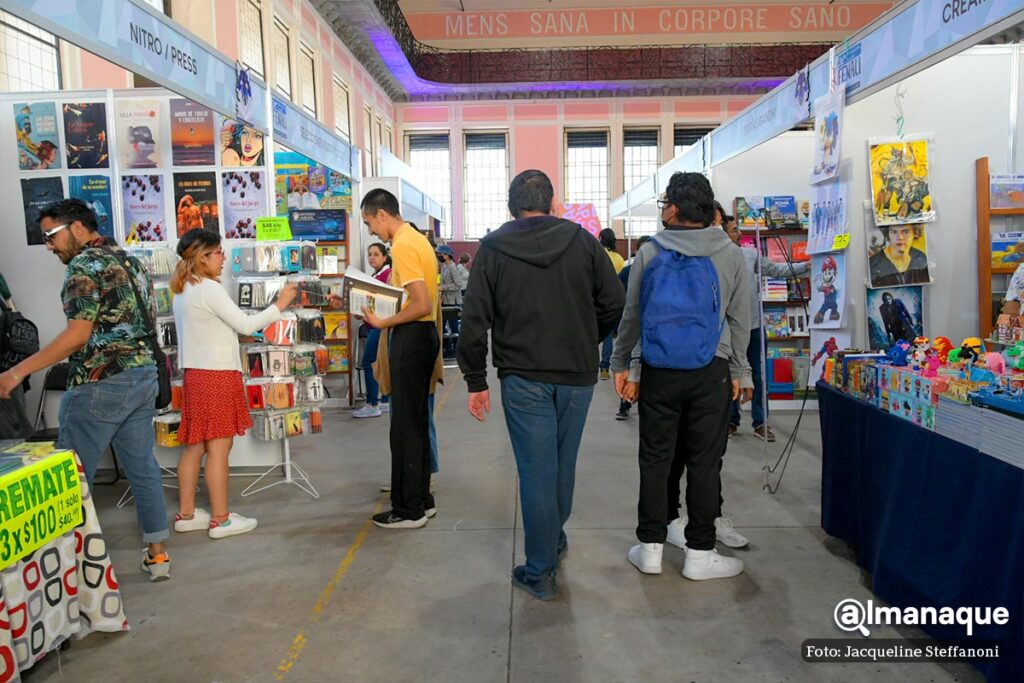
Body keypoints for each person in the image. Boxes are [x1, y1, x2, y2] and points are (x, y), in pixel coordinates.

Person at [458, 169, 624, 601]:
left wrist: (476, 380)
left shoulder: (492, 248)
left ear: (511, 207)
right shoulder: (583, 241)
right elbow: (614, 302)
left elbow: (473, 319)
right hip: (577, 376)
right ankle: (553, 539)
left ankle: (539, 570)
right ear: (551, 204)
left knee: (536, 471)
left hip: (523, 376)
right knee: (562, 465)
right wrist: (588, 338)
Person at [0, 199, 172, 581]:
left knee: (72, 478)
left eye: (51, 235)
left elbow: (78, 336)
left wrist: (16, 372)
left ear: (77, 227)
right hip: (143, 377)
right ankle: (158, 555)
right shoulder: (129, 261)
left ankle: (67, 569)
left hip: (100, 382)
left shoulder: (83, 266)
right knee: (142, 467)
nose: (49, 245)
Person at [611, 172, 752, 581]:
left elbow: (632, 316)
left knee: (655, 460)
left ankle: (651, 549)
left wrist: (621, 363)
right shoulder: (730, 255)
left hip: (659, 372)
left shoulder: (650, 252)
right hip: (711, 371)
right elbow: (740, 320)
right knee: (704, 463)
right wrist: (741, 372)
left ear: (673, 209)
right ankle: (700, 554)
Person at [171, 229, 297, 539]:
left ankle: (186, 515)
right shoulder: (209, 289)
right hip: (216, 376)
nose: (224, 257)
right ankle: (221, 520)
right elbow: (246, 324)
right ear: (203, 257)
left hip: (194, 376)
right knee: (219, 448)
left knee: (194, 447)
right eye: (218, 252)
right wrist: (279, 305)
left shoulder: (183, 290)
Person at [347, 190, 440, 529]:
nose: (371, 230)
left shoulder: (402, 245)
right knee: (416, 422)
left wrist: (382, 322)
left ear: (382, 214)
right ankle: (422, 500)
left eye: (369, 222)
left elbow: (420, 304)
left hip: (412, 337)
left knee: (404, 427)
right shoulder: (418, 240)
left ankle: (408, 510)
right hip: (423, 336)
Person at [723, 214, 810, 441]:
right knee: (730, 374)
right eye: (733, 230)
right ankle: (731, 421)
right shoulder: (716, 258)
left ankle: (761, 422)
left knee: (758, 375)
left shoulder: (750, 255)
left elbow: (777, 270)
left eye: (738, 228)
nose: (739, 233)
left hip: (753, 326)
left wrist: (806, 266)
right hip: (728, 329)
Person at [353, 243, 393, 419]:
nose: (372, 258)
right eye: (370, 254)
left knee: (369, 361)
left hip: (380, 325)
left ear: (384, 257)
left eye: (376, 254)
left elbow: (383, 302)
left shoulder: (386, 274)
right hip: (374, 325)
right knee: (380, 362)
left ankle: (372, 403)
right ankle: (383, 400)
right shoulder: (375, 275)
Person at [614, 236, 650, 421]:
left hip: (651, 328)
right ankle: (624, 404)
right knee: (630, 364)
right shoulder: (628, 271)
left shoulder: (659, 270)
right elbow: (615, 291)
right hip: (633, 325)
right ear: (636, 251)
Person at [597, 228, 625, 380]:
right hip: (617, 301)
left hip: (600, 300)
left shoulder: (598, 255)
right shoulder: (619, 258)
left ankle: (604, 368)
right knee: (619, 334)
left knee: (603, 335)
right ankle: (621, 366)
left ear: (601, 239)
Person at [437, 245, 463, 359]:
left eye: (441, 254)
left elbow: (458, 285)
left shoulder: (452, 267)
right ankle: (447, 347)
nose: (439, 256)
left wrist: (443, 288)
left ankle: (456, 349)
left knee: (453, 327)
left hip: (453, 301)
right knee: (443, 326)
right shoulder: (444, 267)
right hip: (446, 300)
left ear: (447, 255)